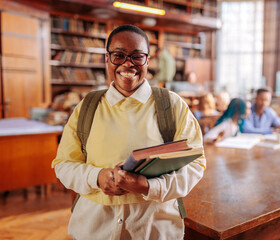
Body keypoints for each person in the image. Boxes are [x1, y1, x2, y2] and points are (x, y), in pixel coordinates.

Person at [51, 24, 205, 240]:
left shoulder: (172, 105)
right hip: (94, 230)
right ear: (107, 59)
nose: (127, 63)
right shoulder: (87, 107)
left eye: (137, 56)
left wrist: (149, 186)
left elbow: (195, 164)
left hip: (153, 230)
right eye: (118, 55)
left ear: (148, 61)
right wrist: (97, 177)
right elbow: (63, 165)